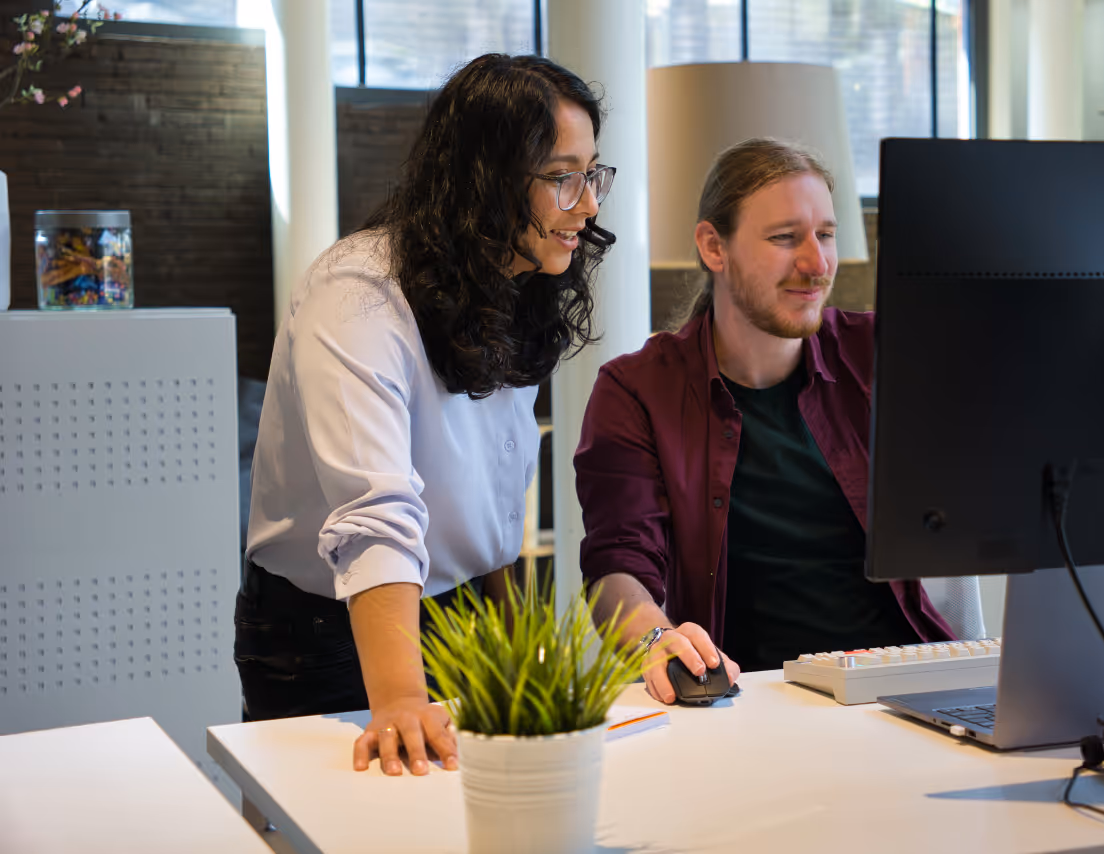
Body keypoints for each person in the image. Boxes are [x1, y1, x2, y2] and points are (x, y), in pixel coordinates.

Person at [237, 53, 617, 775]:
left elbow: (489, 509)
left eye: (592, 172)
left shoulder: (520, 281)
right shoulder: (355, 296)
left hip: (464, 616)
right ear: (488, 180)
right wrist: (403, 696)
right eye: (563, 177)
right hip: (328, 632)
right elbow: (375, 512)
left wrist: (515, 659)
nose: (588, 203)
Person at [574, 138, 953, 705]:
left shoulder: (880, 353)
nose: (817, 263)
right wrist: (656, 638)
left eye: (825, 234)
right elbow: (617, 566)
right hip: (746, 699)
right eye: (784, 238)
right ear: (713, 246)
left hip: (896, 687)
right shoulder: (636, 390)